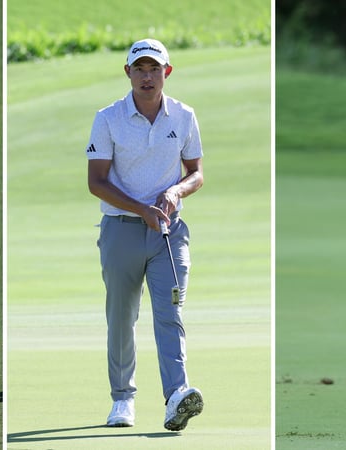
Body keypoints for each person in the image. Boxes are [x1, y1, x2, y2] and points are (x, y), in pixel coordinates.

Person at [86, 38, 205, 431]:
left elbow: (196, 173)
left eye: (155, 69)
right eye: (140, 69)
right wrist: (142, 209)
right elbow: (97, 182)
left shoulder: (184, 116)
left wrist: (175, 191)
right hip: (121, 230)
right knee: (122, 318)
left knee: (169, 314)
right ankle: (122, 399)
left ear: (166, 73)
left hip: (170, 234)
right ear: (128, 73)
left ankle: (176, 396)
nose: (148, 76)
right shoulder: (108, 118)